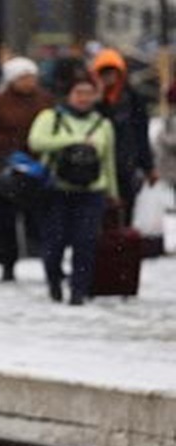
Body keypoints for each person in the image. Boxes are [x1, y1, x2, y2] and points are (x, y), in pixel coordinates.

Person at [28, 70, 118, 306]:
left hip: (92, 191)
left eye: (89, 93)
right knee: (54, 243)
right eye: (79, 92)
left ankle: (79, 290)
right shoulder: (51, 117)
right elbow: (36, 142)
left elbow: (108, 160)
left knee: (85, 242)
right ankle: (55, 281)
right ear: (68, 94)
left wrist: (113, 193)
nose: (84, 98)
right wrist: (73, 142)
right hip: (56, 189)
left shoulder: (103, 124)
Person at [0, 57, 54, 281]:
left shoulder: (45, 101)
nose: (29, 82)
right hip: (6, 168)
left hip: (36, 169)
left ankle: (49, 261)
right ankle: (7, 264)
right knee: (5, 221)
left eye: (32, 77)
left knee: (40, 219)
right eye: (23, 77)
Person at [91, 48, 157, 225]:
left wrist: (148, 166)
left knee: (125, 211)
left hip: (126, 164)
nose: (108, 77)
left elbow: (141, 133)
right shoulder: (89, 99)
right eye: (103, 73)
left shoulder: (134, 99)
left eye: (112, 72)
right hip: (94, 167)